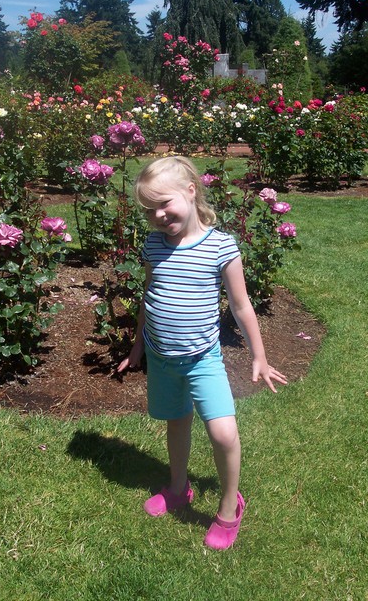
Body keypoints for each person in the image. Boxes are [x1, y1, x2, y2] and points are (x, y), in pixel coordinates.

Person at [117, 155, 287, 550]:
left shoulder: (220, 246)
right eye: (149, 209)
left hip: (202, 359)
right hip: (161, 358)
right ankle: (178, 488)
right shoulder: (154, 243)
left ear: (191, 192)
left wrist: (259, 357)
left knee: (223, 433)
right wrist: (139, 344)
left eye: (164, 203)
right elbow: (149, 297)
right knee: (176, 422)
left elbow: (242, 306)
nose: (158, 215)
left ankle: (229, 506)